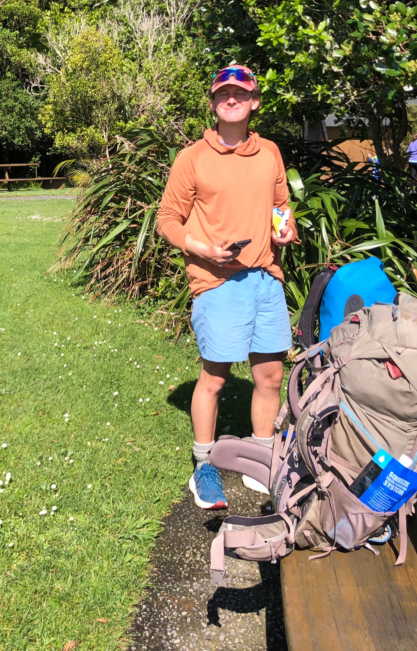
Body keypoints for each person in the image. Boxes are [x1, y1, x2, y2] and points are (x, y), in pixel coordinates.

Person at [156, 65, 297, 510]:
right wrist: (202, 248)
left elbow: (280, 206)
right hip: (217, 282)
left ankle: (260, 459)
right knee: (215, 378)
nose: (231, 99)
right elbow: (166, 220)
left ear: (254, 102)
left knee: (270, 376)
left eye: (240, 93)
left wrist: (285, 229)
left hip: (266, 278)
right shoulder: (192, 158)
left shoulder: (270, 152)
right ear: (214, 103)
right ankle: (203, 466)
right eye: (223, 93)